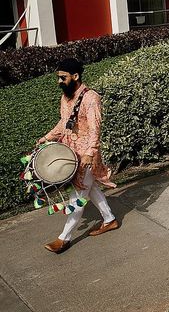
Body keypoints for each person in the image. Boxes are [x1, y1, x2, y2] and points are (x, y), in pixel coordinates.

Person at [37, 58, 118, 254]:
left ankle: (63, 239)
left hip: (86, 156)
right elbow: (64, 123)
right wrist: (47, 138)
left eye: (62, 78)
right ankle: (110, 220)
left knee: (78, 196)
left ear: (75, 76)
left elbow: (95, 129)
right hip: (70, 153)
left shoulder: (91, 98)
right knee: (89, 189)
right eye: (58, 77)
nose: (59, 81)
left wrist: (90, 153)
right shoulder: (66, 98)